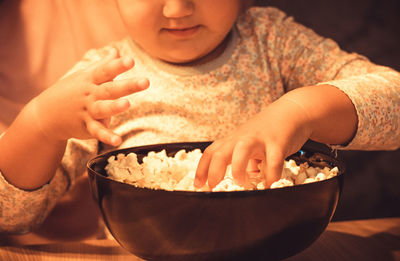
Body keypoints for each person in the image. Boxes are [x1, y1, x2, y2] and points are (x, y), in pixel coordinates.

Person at [0, 0, 399, 236]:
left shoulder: (273, 42)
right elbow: (10, 216)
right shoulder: (101, 80)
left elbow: (393, 103)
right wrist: (39, 124)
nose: (178, 8)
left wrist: (300, 110)